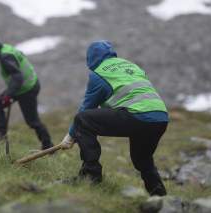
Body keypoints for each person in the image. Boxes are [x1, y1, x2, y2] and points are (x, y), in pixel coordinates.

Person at [60, 40, 169, 196]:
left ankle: (90, 176)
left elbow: (86, 109)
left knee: (83, 119)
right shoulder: (131, 66)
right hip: (160, 118)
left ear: (91, 58)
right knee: (142, 159)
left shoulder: (99, 73)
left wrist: (71, 135)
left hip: (138, 115)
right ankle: (160, 197)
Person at [0, 34, 54, 150]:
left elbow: (17, 77)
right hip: (25, 86)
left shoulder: (6, 56)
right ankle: (1, 138)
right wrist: (9, 94)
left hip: (26, 89)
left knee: (32, 121)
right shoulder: (6, 49)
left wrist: (8, 95)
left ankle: (48, 146)